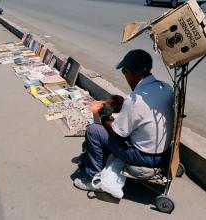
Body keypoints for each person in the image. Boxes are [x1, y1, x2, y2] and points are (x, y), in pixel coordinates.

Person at [74, 49, 174, 191]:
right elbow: (145, 114)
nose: (124, 75)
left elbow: (117, 134)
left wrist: (104, 116)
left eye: (124, 71)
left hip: (144, 157)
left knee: (93, 131)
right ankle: (91, 159)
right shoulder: (165, 88)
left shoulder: (135, 100)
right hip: (163, 153)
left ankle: (93, 180)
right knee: (106, 129)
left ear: (132, 73)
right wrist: (123, 103)